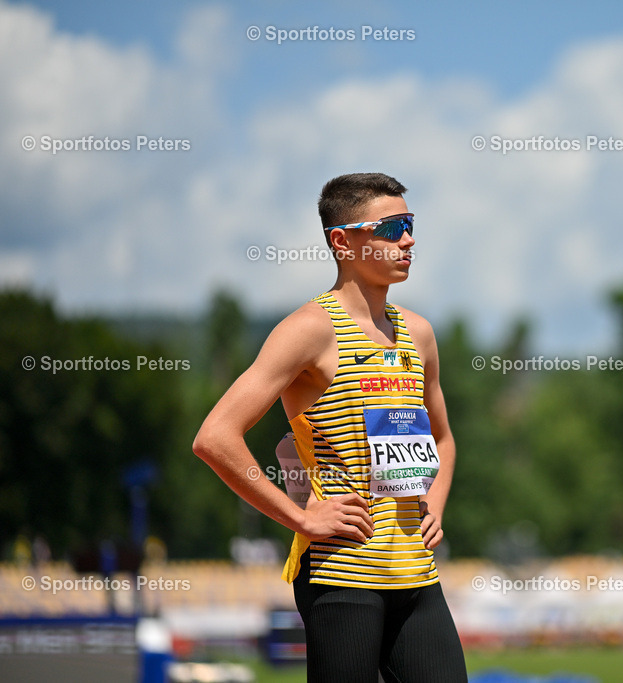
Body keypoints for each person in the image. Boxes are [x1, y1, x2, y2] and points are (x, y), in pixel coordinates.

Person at [193, 172, 467, 682]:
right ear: (342, 241)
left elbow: (443, 438)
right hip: (342, 577)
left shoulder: (419, 334)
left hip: (416, 575)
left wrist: (437, 503)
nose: (408, 240)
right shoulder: (308, 332)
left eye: (410, 224)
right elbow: (215, 437)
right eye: (391, 227)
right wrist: (301, 519)